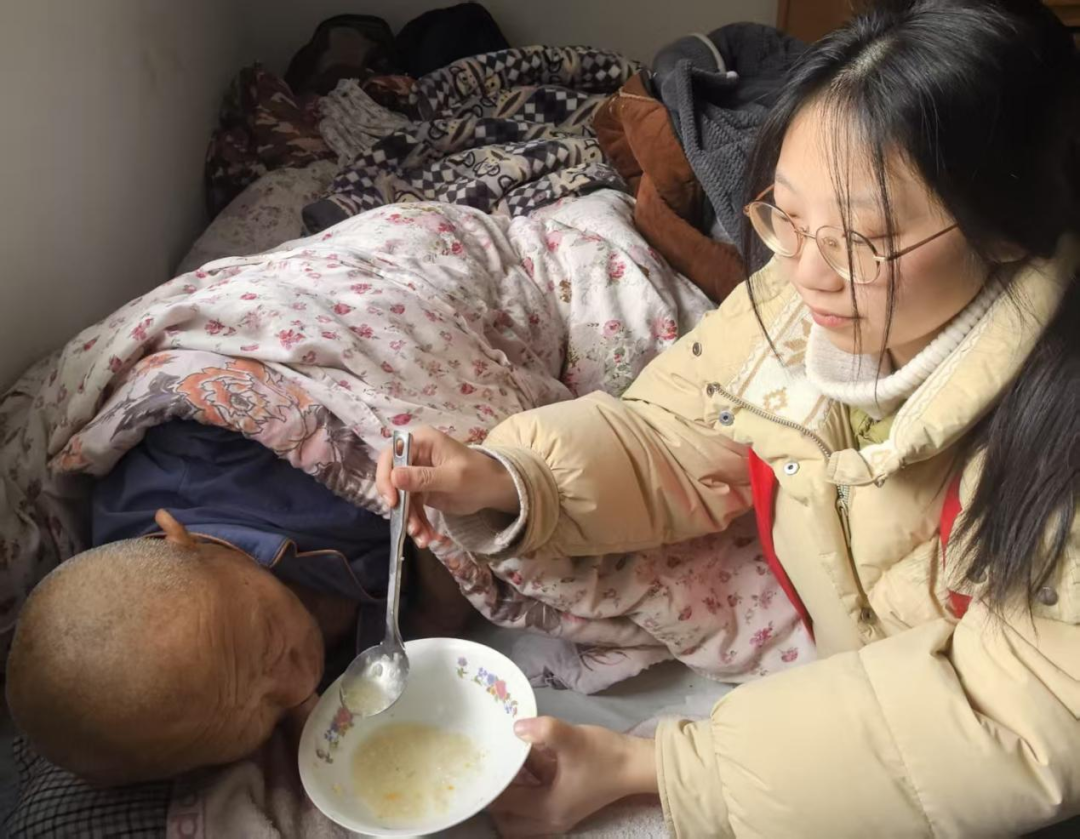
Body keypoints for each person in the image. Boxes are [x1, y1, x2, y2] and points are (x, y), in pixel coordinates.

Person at [376, 1, 1080, 835]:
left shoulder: (1057, 434)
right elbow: (683, 428)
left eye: (860, 238)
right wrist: (507, 477)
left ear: (1009, 229)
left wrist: (658, 766)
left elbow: (1017, 716)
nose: (807, 271)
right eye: (786, 214)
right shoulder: (797, 297)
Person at [5, 420, 469, 785]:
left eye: (268, 639)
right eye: (258, 719)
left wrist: (437, 613)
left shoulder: (225, 453)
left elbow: (433, 459)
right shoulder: (172, 715)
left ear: (180, 538)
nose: (301, 685)